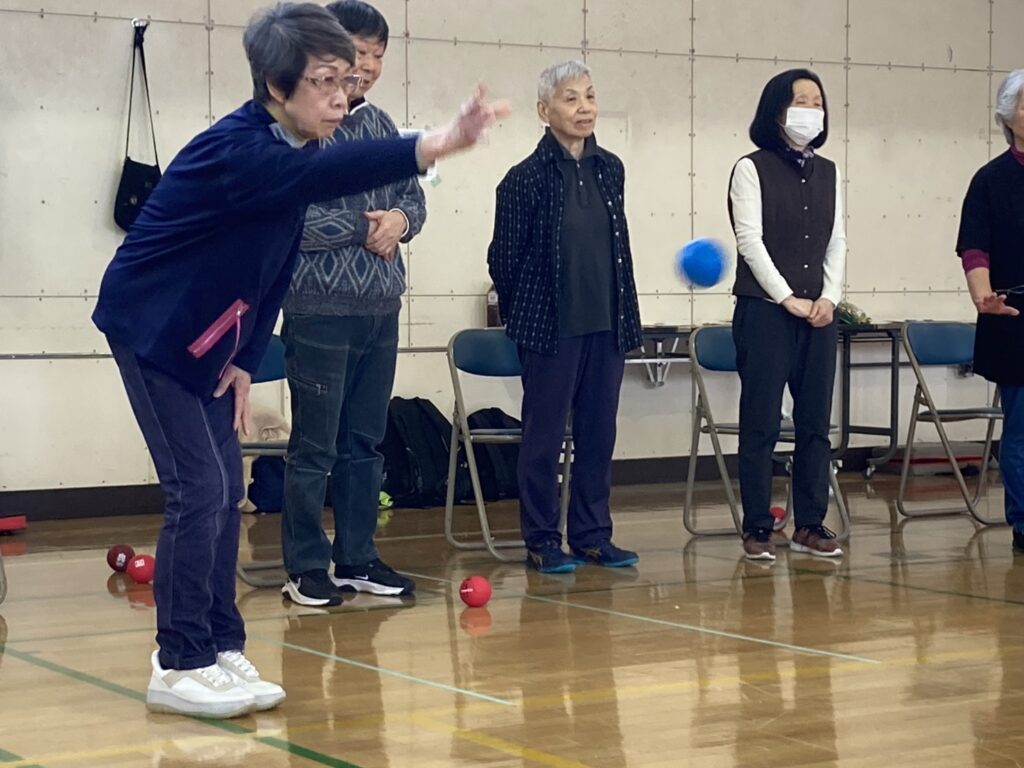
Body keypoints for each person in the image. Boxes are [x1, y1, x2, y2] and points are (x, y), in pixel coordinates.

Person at [92, 1, 506, 718]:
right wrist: (434, 142)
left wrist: (246, 357)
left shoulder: (295, 148)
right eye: (324, 81)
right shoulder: (243, 152)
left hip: (208, 337)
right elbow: (335, 176)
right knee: (200, 490)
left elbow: (275, 265)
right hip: (152, 329)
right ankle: (178, 661)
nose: (342, 97)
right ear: (277, 87)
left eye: (347, 80)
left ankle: (219, 645)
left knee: (224, 489)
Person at [280, 0, 424, 607]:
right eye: (358, 52)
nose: (367, 65)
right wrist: (364, 227)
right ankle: (306, 566)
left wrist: (399, 221)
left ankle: (358, 556)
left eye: (377, 55)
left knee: (365, 442)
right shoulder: (298, 125)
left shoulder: (383, 125)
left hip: (380, 308)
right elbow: (290, 217)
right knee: (315, 447)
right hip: (317, 309)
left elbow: (414, 201)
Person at [487, 61, 642, 574]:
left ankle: (594, 534)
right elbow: (503, 260)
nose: (584, 107)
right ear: (544, 110)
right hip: (550, 330)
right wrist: (527, 314)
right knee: (544, 439)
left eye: (590, 96)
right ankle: (541, 539)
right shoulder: (524, 179)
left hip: (607, 324)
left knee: (598, 435)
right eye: (571, 98)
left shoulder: (610, 168)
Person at [727, 68, 846, 562]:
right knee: (761, 422)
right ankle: (758, 525)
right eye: (802, 101)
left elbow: (836, 240)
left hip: (818, 314)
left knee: (815, 421)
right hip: (766, 312)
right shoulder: (750, 168)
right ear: (778, 110)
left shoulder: (829, 172)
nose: (811, 110)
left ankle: (810, 523)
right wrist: (786, 298)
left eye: (818, 102)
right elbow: (749, 241)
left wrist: (830, 297)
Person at [956, 69, 1024, 554]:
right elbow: (974, 249)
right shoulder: (990, 180)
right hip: (1014, 314)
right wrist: (984, 297)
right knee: (1022, 429)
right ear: (1007, 115)